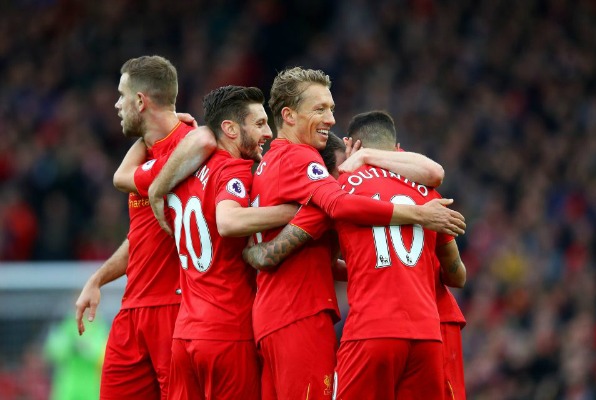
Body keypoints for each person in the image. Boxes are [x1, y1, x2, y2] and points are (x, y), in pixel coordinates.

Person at [247, 67, 466, 400]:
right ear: (289, 116)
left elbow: (283, 247)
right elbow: (456, 274)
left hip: (290, 317)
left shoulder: (272, 165)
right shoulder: (307, 162)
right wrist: (418, 216)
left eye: (331, 109)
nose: (331, 118)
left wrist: (254, 250)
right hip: (416, 327)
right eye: (320, 109)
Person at [135, 85, 296, 400]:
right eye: (260, 124)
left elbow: (122, 177)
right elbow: (229, 221)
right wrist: (295, 212)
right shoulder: (234, 170)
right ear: (231, 129)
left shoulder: (177, 172)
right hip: (227, 332)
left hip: (184, 336)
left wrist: (154, 190)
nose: (269, 133)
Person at [74, 55, 216, 400]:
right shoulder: (145, 153)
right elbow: (140, 237)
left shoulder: (192, 150)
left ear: (140, 101)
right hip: (132, 311)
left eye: (122, 95)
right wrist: (98, 279)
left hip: (175, 310)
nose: (116, 104)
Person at [329, 110, 467, 399]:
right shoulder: (429, 194)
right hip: (428, 335)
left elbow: (321, 259)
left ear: (352, 144)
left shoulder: (341, 187)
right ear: (397, 148)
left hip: (371, 329)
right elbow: (457, 275)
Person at [44, 311, 108, 400]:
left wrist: (86, 348)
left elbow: (106, 355)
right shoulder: (67, 327)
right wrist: (71, 346)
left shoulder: (101, 328)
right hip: (68, 387)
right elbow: (52, 351)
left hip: (92, 388)